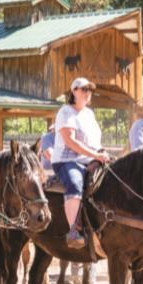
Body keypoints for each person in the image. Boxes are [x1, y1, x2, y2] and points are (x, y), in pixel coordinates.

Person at [51, 77, 110, 248]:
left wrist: (101, 152)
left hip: (91, 159)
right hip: (67, 160)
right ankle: (73, 231)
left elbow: (94, 141)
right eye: (83, 89)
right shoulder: (65, 112)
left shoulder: (89, 114)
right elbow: (71, 141)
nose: (87, 93)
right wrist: (95, 155)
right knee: (75, 183)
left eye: (89, 90)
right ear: (74, 91)